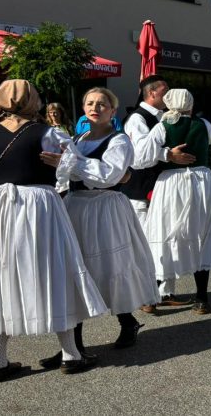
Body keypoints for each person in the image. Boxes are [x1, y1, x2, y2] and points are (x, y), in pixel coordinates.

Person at [0, 79, 107, 378]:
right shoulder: (48, 133)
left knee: (2, 277)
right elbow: (71, 169)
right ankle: (70, 354)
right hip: (37, 207)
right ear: (33, 101)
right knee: (54, 271)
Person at [42, 87, 159, 362]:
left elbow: (109, 175)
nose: (95, 108)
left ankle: (127, 321)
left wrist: (70, 163)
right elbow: (65, 174)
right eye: (90, 103)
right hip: (77, 206)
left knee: (110, 267)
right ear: (83, 108)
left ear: (113, 111)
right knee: (75, 270)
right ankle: (73, 346)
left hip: (105, 207)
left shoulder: (119, 141)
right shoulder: (78, 138)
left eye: (102, 104)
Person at [140, 89, 211, 315]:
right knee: (201, 233)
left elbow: (142, 156)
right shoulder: (204, 124)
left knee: (164, 232)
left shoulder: (162, 125)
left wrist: (166, 153)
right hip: (200, 181)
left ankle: (154, 295)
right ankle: (201, 298)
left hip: (171, 183)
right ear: (190, 103)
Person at [120, 75, 195, 311]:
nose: (170, 95)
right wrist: (168, 155)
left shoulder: (165, 117)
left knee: (165, 241)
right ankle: (144, 295)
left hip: (163, 189)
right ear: (152, 93)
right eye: (166, 91)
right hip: (141, 190)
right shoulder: (137, 119)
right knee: (145, 243)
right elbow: (139, 156)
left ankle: (164, 291)